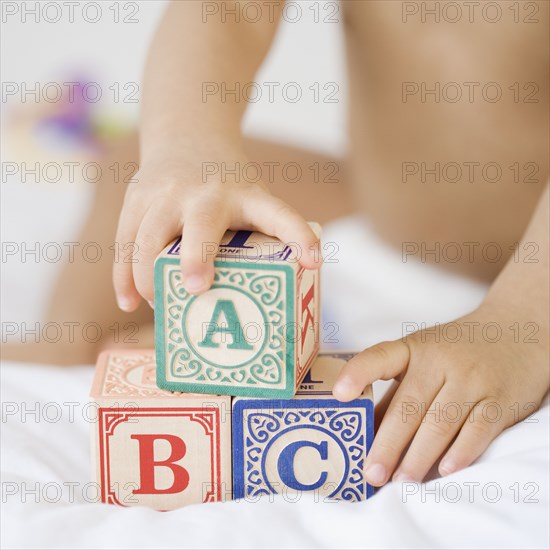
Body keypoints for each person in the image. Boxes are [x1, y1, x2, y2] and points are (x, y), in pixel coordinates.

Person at [6, 1, 549, 488]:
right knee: (136, 161)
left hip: (529, 252)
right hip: (379, 209)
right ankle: (75, 343)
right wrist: (189, 143)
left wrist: (523, 316)